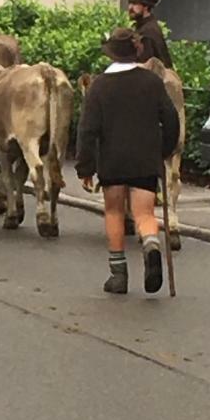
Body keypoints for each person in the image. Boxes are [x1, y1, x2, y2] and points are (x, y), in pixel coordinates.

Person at [75, 28, 180, 295]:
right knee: (145, 214)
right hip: (145, 159)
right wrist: (164, 150)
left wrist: (85, 167)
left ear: (111, 53)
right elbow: (171, 120)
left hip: (112, 161)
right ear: (136, 51)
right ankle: (151, 244)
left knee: (115, 212)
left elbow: (87, 129)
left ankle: (118, 275)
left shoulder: (99, 86)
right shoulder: (152, 82)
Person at [128, 0, 172, 69]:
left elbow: (146, 66)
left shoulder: (148, 32)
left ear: (145, 7)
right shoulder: (146, 27)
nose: (130, 7)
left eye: (135, 4)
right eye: (130, 3)